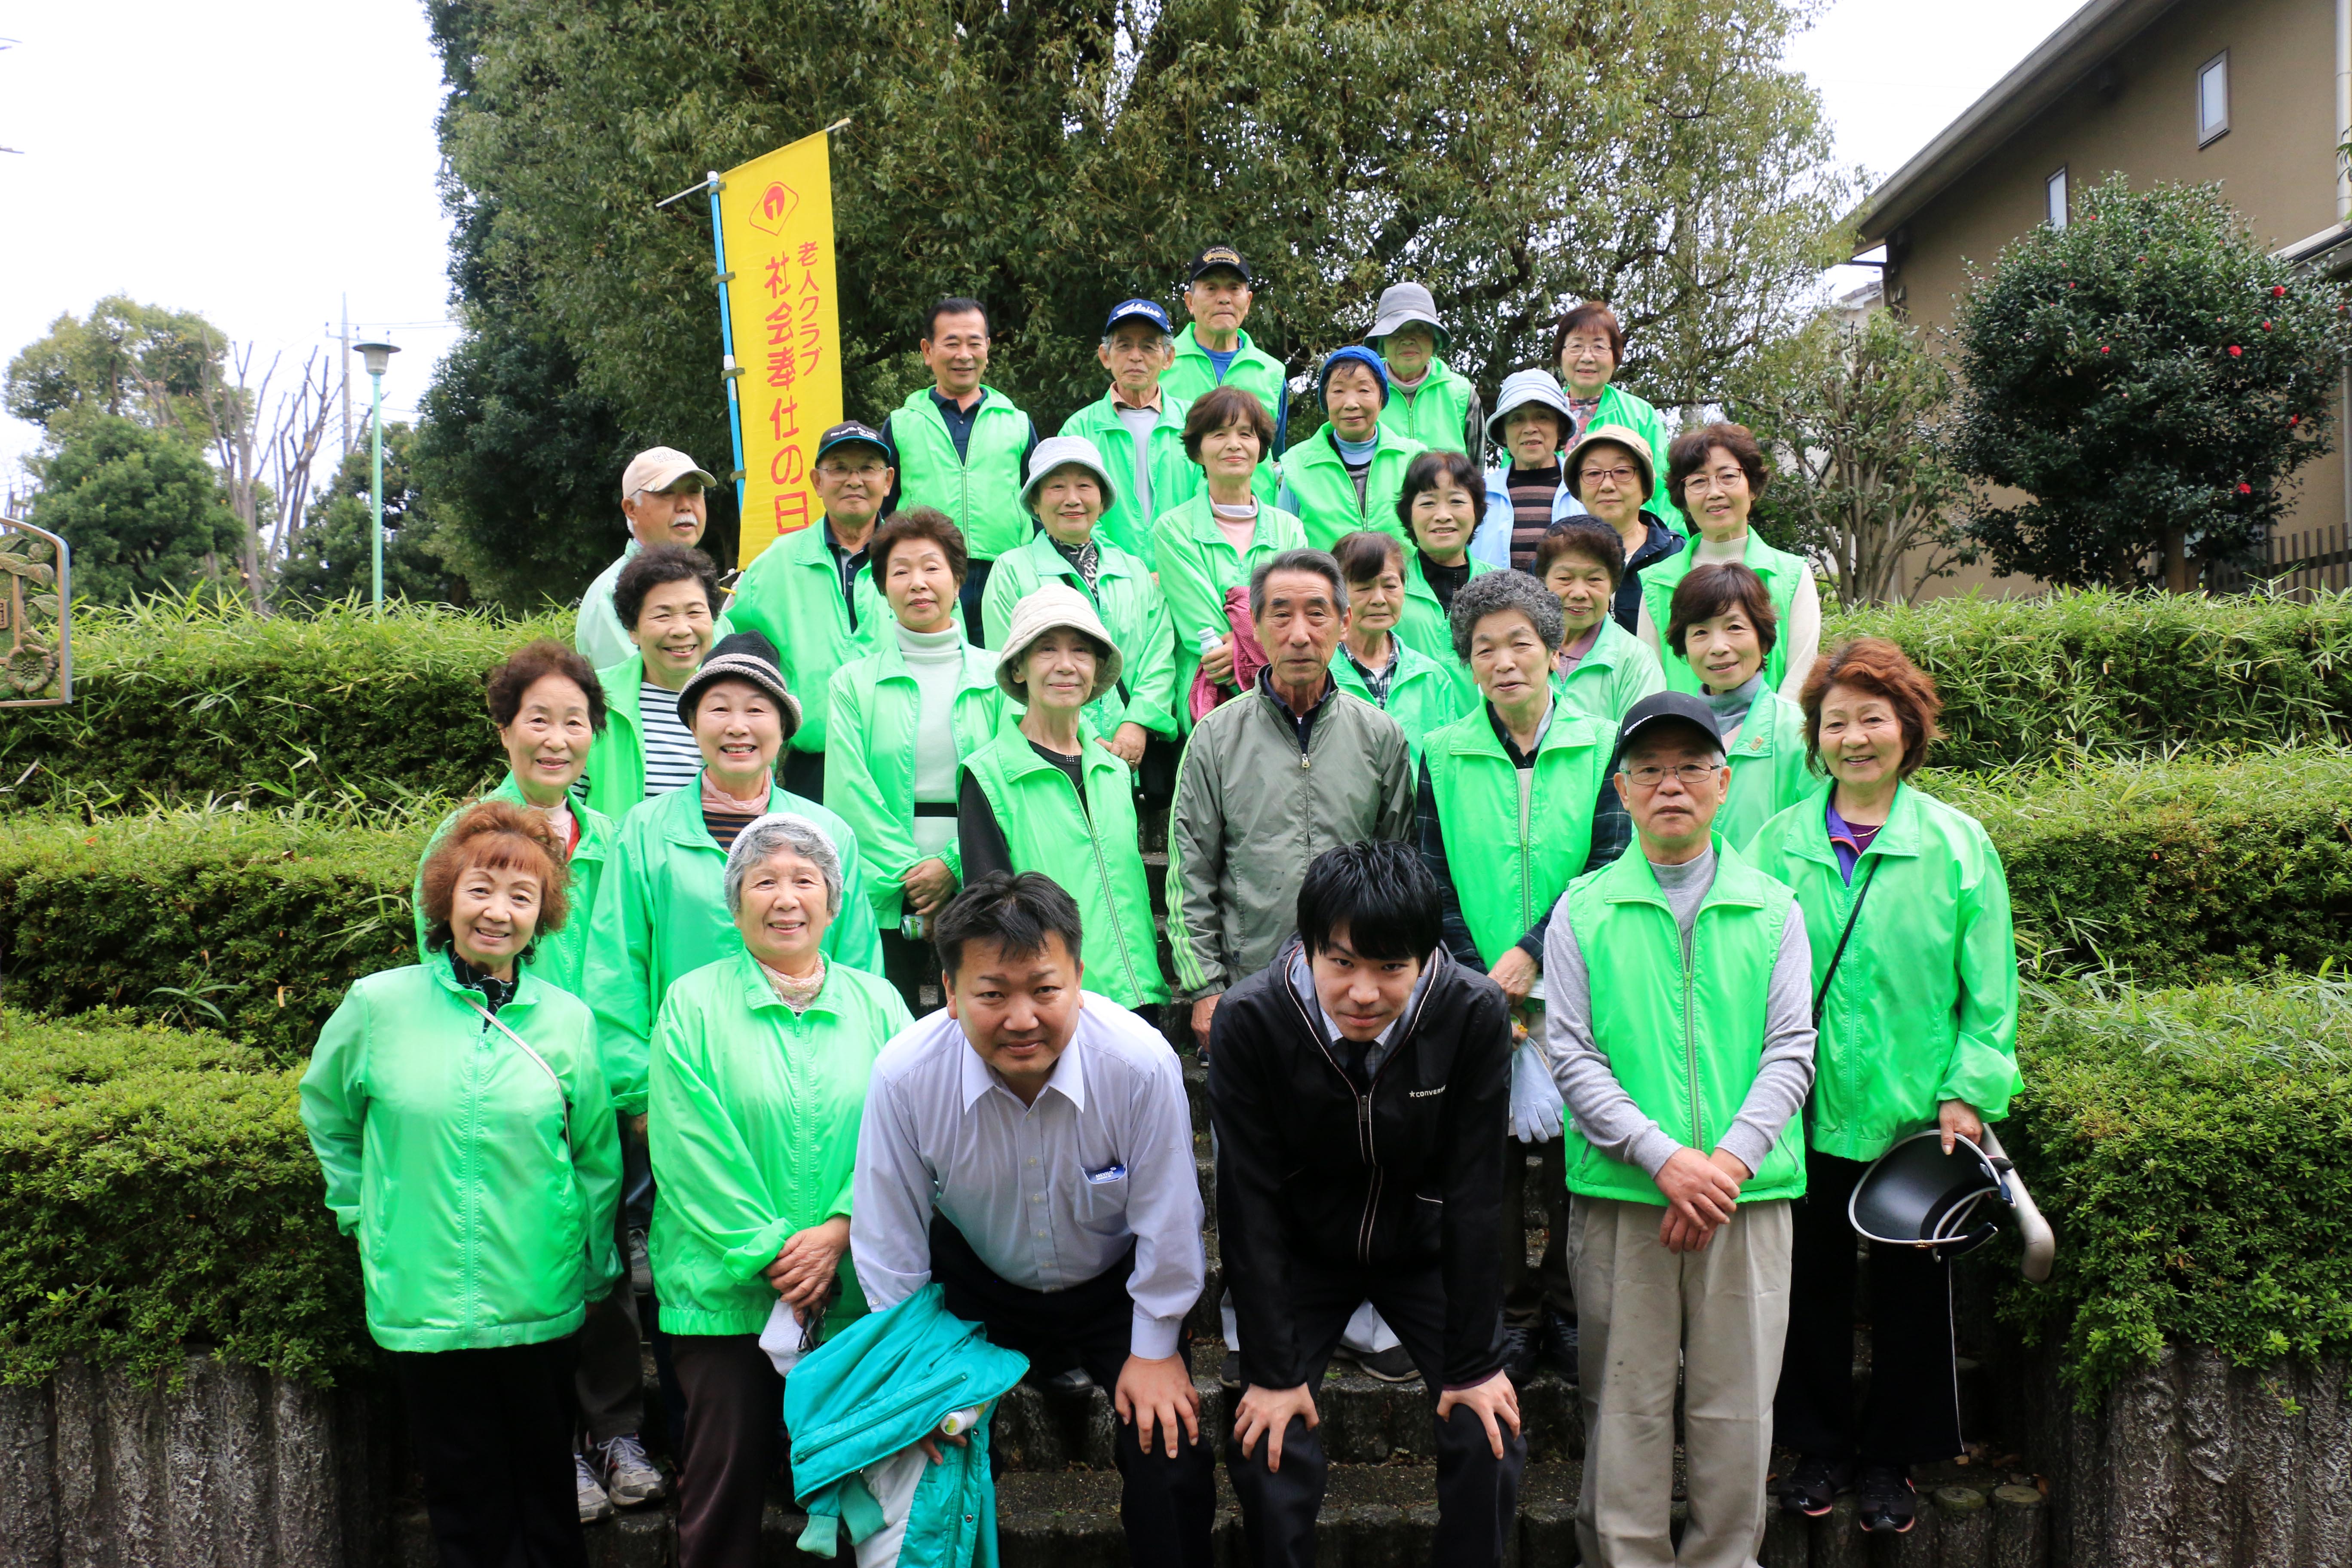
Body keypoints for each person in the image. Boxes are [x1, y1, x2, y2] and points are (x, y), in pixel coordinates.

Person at [851, 873, 1213, 1568]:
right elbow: (890, 1244)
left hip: (1113, 1283)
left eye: (1044, 989)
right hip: (976, 1282)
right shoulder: (904, 1075)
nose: (1021, 1018)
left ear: (1078, 976)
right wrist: (916, 1376)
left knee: (1173, 1449)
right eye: (992, 993)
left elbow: (1168, 1218)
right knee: (926, 1450)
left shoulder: (1139, 1064)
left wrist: (1157, 1345)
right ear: (950, 993)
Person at [1747, 639, 2020, 1537]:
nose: (1856, 738)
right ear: (1815, 738)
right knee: (1810, 1285)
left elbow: (1990, 992)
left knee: (1912, 1296)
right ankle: (1817, 1447)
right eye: (1837, 722)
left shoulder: (1956, 844)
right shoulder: (1777, 843)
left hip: (1916, 1118)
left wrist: (1967, 1091)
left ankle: (1892, 1460)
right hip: (1805, 1110)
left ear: (1908, 729)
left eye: (1874, 718)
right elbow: (1743, 973)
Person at [302, 800, 621, 1568]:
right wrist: (361, 1211)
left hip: (539, 1289)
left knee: (546, 1492)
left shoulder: (568, 1019)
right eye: (482, 889)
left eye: (522, 896)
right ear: (447, 897)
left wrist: (593, 1261)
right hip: (422, 1291)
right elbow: (330, 1114)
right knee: (462, 1494)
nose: (498, 911)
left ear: (543, 916)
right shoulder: (378, 1005)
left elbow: (595, 1156)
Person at [1543, 691, 1816, 1568]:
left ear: (1724, 783)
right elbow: (1573, 1058)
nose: (1671, 786)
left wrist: (1724, 1165)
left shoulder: (1775, 908)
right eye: (1650, 769)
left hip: (1748, 1198)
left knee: (1737, 1411)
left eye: (1691, 767)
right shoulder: (1583, 910)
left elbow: (1792, 1051)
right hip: (1628, 1197)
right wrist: (1666, 1161)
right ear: (1621, 790)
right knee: (1625, 1406)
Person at [407, 642, 665, 1522]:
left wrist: (630, 1082)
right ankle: (560, 1442)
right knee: (530, 1257)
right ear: (506, 729)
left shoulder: (616, 835)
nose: (557, 740)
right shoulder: (468, 836)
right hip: (508, 1077)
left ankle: (616, 1428)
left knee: (602, 1251)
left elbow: (639, 955)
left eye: (576, 723)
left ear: (598, 734)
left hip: (595, 1078)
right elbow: (439, 963)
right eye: (539, 721)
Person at [1211, 841, 1524, 1566]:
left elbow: (1477, 1193)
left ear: (1425, 956)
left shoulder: (1470, 1010)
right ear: (1308, 946)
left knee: (1491, 1432)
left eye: (1391, 967)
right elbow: (1247, 1201)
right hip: (1299, 1253)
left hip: (1421, 1247)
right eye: (1342, 962)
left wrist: (1476, 1361)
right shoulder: (1250, 1019)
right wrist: (1272, 1371)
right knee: (1267, 1441)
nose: (1362, 992)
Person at [649, 813, 913, 1568]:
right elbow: (688, 1143)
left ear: (833, 904)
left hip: (851, 1288)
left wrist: (840, 1226)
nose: (786, 897)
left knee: (854, 1491)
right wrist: (772, 1252)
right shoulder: (692, 1003)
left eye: (805, 880)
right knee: (722, 1487)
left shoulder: (879, 1003)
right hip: (725, 1291)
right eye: (764, 881)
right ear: (735, 907)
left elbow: (902, 1131)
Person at [1417, 572, 1615, 1385]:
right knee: (1486, 1165)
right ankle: (1512, 1311)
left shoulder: (1605, 742)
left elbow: (1609, 862)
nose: (1503, 661)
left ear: (1554, 649)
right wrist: (1475, 981)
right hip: (1476, 991)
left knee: (1576, 1165)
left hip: (1579, 984)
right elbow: (1430, 875)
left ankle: (1569, 1312)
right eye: (1484, 648)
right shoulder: (1442, 750)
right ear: (1467, 663)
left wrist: (1536, 950)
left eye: (1519, 643)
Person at [585, 631, 882, 1127]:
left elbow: (859, 967)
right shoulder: (644, 830)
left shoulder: (828, 834)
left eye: (757, 710)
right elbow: (616, 968)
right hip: (682, 1090)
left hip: (811, 1093)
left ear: (784, 728)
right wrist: (642, 1099)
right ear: (693, 725)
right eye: (719, 709)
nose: (737, 727)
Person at [1169, 549, 1415, 1047]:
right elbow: (1190, 870)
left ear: (1344, 623)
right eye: (1281, 615)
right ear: (1256, 627)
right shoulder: (1215, 737)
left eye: (1317, 614)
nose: (1300, 635)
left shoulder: (1380, 735)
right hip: (1250, 985)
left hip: (1356, 991)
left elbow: (1399, 862)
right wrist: (1204, 987)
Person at [960, 584, 1170, 1014]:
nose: (1066, 666)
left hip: (1141, 996)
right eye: (1046, 650)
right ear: (1018, 669)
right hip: (1055, 1008)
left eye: (1080, 651)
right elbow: (991, 912)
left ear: (1096, 668)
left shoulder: (1112, 770)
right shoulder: (988, 774)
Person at [825, 509, 1003, 1014]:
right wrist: (912, 878)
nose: (918, 583)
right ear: (882, 587)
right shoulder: (852, 684)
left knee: (982, 1017)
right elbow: (849, 794)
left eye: (932, 567)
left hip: (980, 876)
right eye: (900, 571)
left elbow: (1006, 780)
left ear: (957, 577)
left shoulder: (1000, 677)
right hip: (885, 889)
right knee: (889, 1021)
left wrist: (952, 862)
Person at [726, 421, 905, 801]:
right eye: (839, 468)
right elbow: (735, 658)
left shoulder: (915, 558)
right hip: (812, 770)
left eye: (867, 468)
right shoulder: (775, 565)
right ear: (817, 482)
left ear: (888, 481)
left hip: (905, 765)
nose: (853, 480)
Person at [982, 435, 1179, 776]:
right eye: (1057, 487)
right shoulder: (1011, 571)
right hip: (1048, 751)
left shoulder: (1133, 570)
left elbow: (1159, 653)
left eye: (1085, 486)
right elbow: (1006, 660)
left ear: (1102, 501)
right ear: (1035, 504)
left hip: (1133, 753)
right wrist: (1087, 736)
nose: (1072, 499)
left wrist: (1137, 724)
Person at [878, 298, 1039, 632]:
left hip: (1006, 571)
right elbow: (883, 507)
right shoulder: (902, 423)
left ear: (988, 349)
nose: (964, 355)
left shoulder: (1018, 423)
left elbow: (1040, 502)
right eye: (951, 343)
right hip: (928, 575)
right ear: (927, 350)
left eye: (974, 343)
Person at [1152, 386, 1308, 716]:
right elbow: (1202, 632)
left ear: (1261, 447)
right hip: (1211, 697)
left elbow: (1298, 612)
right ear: (1198, 451)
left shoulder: (1289, 529)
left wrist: (1241, 645)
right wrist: (1264, 640)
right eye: (1219, 434)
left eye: (1246, 434)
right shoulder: (1172, 530)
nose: (1234, 444)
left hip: (1286, 696)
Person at [1639, 423, 1819, 701]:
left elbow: (1802, 674)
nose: (1714, 492)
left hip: (1773, 739)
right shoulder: (1657, 582)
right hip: (1684, 739)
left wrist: (1773, 736)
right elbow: (1650, 681)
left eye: (1727, 477)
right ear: (1683, 498)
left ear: (1752, 488)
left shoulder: (1792, 575)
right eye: (1698, 482)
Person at [1668, 564, 1811, 851]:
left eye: (1734, 627)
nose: (1718, 647)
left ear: (1764, 638)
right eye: (1700, 633)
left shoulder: (1800, 731)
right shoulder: (1667, 730)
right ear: (1683, 646)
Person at [579, 546, 724, 824]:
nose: (682, 629)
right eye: (663, 615)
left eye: (695, 613)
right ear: (632, 629)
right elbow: (555, 801)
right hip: (616, 863)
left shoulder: (741, 703)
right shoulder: (592, 701)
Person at [1055, 300, 1205, 565]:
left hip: (1184, 571)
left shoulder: (1195, 422)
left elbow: (1207, 500)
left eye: (1149, 346)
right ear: (1105, 356)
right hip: (1105, 575)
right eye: (1124, 346)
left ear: (1168, 357)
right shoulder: (1079, 428)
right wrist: (1122, 568)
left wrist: (1174, 567)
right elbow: (1074, 508)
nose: (1136, 356)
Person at [577, 447, 719, 673]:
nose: (685, 505)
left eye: (694, 492)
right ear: (631, 509)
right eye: (667, 493)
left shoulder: (701, 583)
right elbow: (625, 698)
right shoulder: (610, 595)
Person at [1330, 530, 1464, 765]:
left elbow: (1447, 763)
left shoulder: (1431, 677)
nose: (1379, 599)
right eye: (1364, 587)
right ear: (1338, 595)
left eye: (1390, 586)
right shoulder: (1321, 674)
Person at [1550, 302, 1686, 534]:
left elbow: (1665, 490)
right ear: (1560, 355)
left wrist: (1675, 543)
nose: (1587, 357)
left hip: (1632, 541)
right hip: (1554, 542)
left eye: (1599, 347)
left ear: (1615, 357)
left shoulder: (1641, 414)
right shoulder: (1539, 415)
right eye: (1576, 346)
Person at [1161, 245, 1291, 483]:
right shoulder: (1160, 366)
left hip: (1254, 514)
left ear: (1248, 301)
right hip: (1178, 515)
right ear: (1190, 302)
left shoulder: (1272, 372)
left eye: (1234, 288)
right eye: (1211, 288)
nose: (1224, 298)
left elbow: (1277, 456)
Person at [1278, 347, 1426, 552]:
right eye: (1338, 391)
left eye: (1364, 390)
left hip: (1399, 584)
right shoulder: (1297, 465)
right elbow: (1284, 545)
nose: (1350, 404)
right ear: (1326, 400)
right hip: (1326, 584)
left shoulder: (1413, 458)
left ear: (1382, 398)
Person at [1559, 423, 1685, 636]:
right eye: (1593, 474)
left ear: (1645, 486)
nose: (1607, 485)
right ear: (1577, 489)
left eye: (1622, 472)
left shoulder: (1675, 554)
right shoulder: (1556, 553)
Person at [1537, 521, 1666, 727]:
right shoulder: (1521, 650)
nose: (1579, 593)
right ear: (1543, 580)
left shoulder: (1636, 660)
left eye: (1594, 579)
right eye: (1565, 578)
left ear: (1614, 585)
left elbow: (1639, 744)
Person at [1392, 449, 1497, 702]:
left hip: (1480, 734)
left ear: (1477, 511)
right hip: (1404, 736)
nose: (1442, 515)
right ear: (1409, 514)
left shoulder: (1500, 586)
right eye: (1428, 503)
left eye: (1457, 501)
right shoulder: (1388, 584)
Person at [1475, 370, 1581, 572]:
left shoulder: (1584, 489)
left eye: (1542, 417)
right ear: (1503, 434)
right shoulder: (1480, 494)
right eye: (1517, 419)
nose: (1530, 428)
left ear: (1560, 429)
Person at [1367, 283, 1481, 457]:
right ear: (1382, 342)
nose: (1407, 340)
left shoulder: (1462, 393)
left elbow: (1476, 476)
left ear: (1434, 339)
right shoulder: (1364, 392)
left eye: (1419, 329)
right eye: (1396, 331)